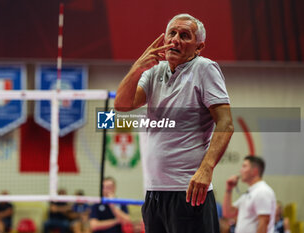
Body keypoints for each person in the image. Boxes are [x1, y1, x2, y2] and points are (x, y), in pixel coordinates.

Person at [114, 13, 234, 233]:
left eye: (185, 35)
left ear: (199, 47)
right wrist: (137, 67)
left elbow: (226, 124)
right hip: (154, 194)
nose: (176, 40)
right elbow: (121, 105)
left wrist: (206, 169)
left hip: (188, 192)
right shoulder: (154, 72)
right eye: (172, 33)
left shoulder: (205, 69)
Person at [222, 155, 276, 233]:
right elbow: (228, 213)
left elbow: (264, 223)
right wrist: (229, 189)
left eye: (244, 166)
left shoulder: (263, 191)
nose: (240, 171)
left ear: (255, 171)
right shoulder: (250, 192)